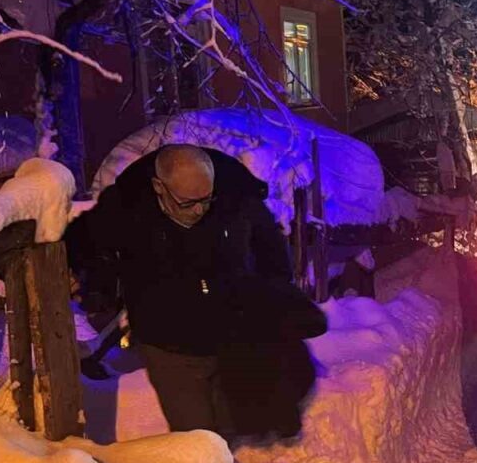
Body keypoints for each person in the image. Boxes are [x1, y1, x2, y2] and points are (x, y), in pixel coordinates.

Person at [67, 144, 326, 440]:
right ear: (159, 188)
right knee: (197, 441)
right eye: (188, 203)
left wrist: (269, 302)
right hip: (170, 348)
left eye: (206, 199)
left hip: (231, 340)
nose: (200, 210)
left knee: (231, 428)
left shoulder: (234, 198)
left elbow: (272, 254)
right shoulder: (127, 207)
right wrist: (87, 278)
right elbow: (79, 243)